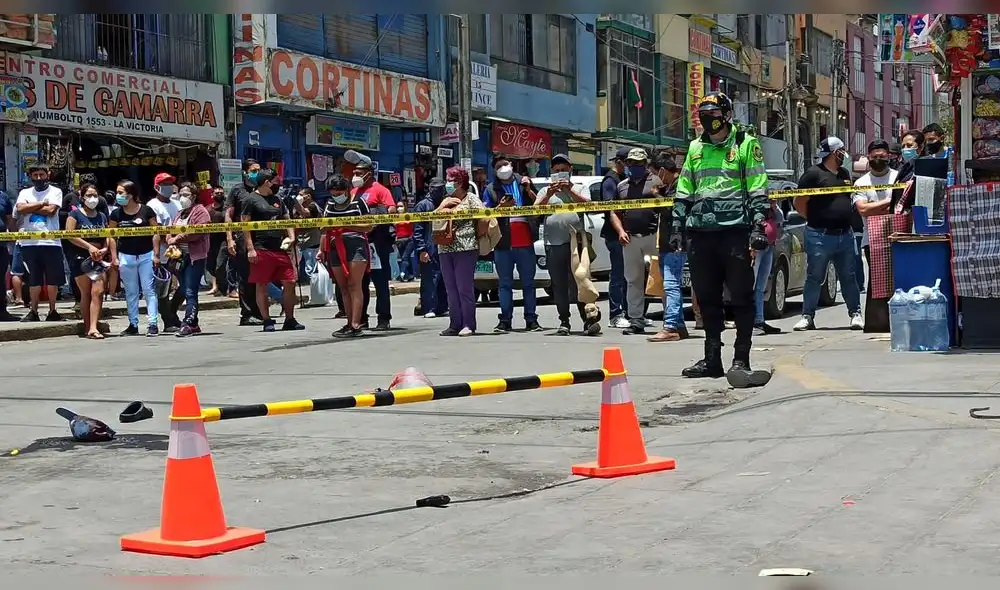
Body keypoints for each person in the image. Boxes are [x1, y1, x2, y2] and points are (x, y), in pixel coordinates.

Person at [673, 92, 771, 388]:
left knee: (741, 297)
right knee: (707, 299)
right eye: (703, 114)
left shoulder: (745, 144)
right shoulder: (695, 147)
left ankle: (741, 358)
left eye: (713, 114)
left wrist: (758, 225)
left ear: (726, 116)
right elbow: (685, 186)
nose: (707, 119)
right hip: (701, 232)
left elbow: (757, 185)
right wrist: (677, 224)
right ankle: (712, 359)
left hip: (735, 231)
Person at [792, 136, 864, 331]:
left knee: (849, 276)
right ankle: (807, 316)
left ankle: (855, 313)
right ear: (834, 153)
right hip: (819, 235)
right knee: (814, 276)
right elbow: (799, 203)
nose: (844, 155)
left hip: (845, 234)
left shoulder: (845, 173)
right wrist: (817, 218)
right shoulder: (813, 175)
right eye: (841, 151)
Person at [535, 154, 599, 336]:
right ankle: (564, 321)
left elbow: (589, 205)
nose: (560, 174)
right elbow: (535, 211)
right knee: (559, 285)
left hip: (576, 244)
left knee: (581, 282)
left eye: (564, 170)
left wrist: (570, 191)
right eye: (556, 171)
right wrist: (548, 194)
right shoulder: (544, 192)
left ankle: (589, 320)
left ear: (570, 170)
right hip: (553, 244)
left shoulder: (580, 188)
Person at [483, 155, 542, 333]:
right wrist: (500, 208)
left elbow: (539, 204)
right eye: (499, 166)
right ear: (494, 171)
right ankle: (505, 320)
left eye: (505, 164)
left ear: (511, 165)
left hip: (525, 241)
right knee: (504, 284)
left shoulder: (524, 182)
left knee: (528, 283)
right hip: (503, 243)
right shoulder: (491, 189)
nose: (503, 168)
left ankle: (531, 319)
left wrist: (528, 188)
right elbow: (486, 214)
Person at [241, 168, 304, 332]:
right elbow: (244, 226)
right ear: (267, 182)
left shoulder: (278, 199)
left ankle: (290, 318)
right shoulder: (251, 200)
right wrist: (250, 249)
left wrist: (291, 238)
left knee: (290, 282)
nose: (278, 185)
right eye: (276, 182)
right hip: (261, 249)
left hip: (280, 249)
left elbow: (286, 218)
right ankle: (267, 320)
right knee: (262, 285)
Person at [609, 148, 661, 335]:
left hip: (653, 237)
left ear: (645, 164)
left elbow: (665, 206)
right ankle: (636, 320)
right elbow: (614, 211)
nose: (634, 166)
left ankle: (670, 322)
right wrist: (620, 231)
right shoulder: (622, 186)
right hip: (630, 239)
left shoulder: (656, 182)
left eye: (639, 163)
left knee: (661, 279)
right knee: (633, 280)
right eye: (631, 163)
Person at [853, 139, 899, 333]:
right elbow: (862, 209)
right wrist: (889, 202)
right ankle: (878, 323)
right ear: (868, 159)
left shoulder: (899, 177)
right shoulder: (861, 183)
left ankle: (898, 319)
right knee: (878, 282)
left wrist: (880, 207)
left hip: (898, 235)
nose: (878, 160)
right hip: (872, 239)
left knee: (898, 279)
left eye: (882, 156)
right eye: (874, 157)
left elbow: (903, 207)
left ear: (888, 156)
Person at [435, 166, 486, 336]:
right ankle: (454, 324)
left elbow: (484, 217)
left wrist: (477, 235)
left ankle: (468, 324)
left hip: (466, 247)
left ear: (460, 182)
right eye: (448, 180)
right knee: (451, 288)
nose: (449, 183)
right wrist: (444, 205)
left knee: (464, 287)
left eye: (452, 180)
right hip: (444, 248)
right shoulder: (445, 199)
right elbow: (433, 218)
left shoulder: (471, 198)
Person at [320, 175, 372, 338]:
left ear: (346, 190)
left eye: (339, 193)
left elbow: (368, 226)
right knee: (342, 286)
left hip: (355, 245)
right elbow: (323, 226)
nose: (336, 196)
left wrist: (346, 225)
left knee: (354, 285)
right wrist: (322, 249)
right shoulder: (329, 204)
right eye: (333, 194)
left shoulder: (359, 202)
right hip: (335, 245)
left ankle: (357, 323)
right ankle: (348, 322)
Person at [109, 180, 161, 336]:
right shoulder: (116, 214)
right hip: (126, 256)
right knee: (131, 292)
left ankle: (153, 324)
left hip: (146, 255)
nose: (118, 196)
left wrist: (156, 254)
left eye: (120, 193)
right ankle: (133, 324)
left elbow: (156, 232)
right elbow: (111, 236)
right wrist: (114, 257)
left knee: (149, 290)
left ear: (130, 195)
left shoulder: (146, 210)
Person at [645, 150, 687, 343]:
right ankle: (679, 325)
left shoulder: (681, 186)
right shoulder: (668, 187)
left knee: (671, 285)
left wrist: (657, 197)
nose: (653, 178)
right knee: (669, 283)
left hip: (675, 243)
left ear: (662, 170)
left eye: (654, 173)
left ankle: (670, 326)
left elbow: (674, 211)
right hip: (665, 243)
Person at [15, 164, 65, 322]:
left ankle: (52, 310)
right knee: (34, 278)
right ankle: (33, 310)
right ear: (31, 176)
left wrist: (30, 207)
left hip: (51, 242)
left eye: (41, 175)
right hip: (30, 242)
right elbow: (20, 209)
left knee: (53, 278)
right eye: (35, 175)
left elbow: (52, 211)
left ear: (47, 174)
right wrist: (42, 204)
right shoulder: (25, 192)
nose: (38, 178)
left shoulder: (56, 191)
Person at [351, 156, 395, 330]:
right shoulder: (354, 192)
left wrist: (375, 214)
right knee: (360, 283)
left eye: (358, 173)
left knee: (380, 282)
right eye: (354, 173)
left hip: (377, 243)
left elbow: (391, 209)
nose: (355, 176)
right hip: (358, 242)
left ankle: (383, 318)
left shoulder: (380, 190)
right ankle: (361, 318)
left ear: (368, 174)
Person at [64, 183, 111, 339]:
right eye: (89, 195)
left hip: (99, 258)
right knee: (86, 293)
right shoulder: (75, 215)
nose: (92, 199)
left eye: (95, 195)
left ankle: (93, 326)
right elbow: (70, 235)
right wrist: (89, 247)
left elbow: (107, 235)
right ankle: (88, 326)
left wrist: (104, 249)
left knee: (98, 291)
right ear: (82, 197)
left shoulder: (102, 216)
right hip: (81, 257)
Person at [165, 184, 211, 337]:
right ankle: (173, 314)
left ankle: (190, 322)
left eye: (186, 194)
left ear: (194, 196)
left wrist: (177, 238)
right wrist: (170, 238)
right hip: (179, 257)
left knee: (191, 291)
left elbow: (197, 231)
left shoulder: (201, 212)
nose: (182, 197)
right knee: (184, 288)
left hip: (194, 257)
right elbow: (170, 229)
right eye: (181, 194)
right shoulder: (179, 213)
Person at [226, 158, 264, 326]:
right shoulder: (238, 191)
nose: (257, 173)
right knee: (246, 277)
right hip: (242, 238)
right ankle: (247, 313)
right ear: (245, 172)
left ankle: (261, 311)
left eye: (259, 170)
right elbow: (228, 215)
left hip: (260, 238)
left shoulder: (262, 189)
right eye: (254, 170)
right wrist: (229, 239)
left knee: (261, 277)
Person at [147, 171, 182, 331]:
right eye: (165, 184)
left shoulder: (177, 204)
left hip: (178, 251)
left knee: (186, 285)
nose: (169, 187)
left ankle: (172, 314)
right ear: (157, 187)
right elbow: (157, 230)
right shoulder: (152, 205)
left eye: (170, 184)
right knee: (162, 290)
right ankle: (169, 321)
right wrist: (169, 243)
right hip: (161, 253)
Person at [601, 146, 630, 328]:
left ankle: (630, 313)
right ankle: (615, 314)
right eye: (629, 162)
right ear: (619, 162)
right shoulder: (610, 181)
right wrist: (620, 231)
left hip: (627, 234)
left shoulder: (623, 179)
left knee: (629, 276)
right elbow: (610, 209)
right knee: (618, 275)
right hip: (615, 235)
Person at [411, 177, 449, 319]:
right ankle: (429, 307)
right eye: (436, 188)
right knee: (429, 279)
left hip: (443, 246)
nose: (438, 191)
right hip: (429, 247)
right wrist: (421, 249)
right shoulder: (423, 206)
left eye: (441, 188)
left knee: (443, 278)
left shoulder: (445, 204)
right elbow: (417, 230)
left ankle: (442, 306)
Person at [295, 187, 322, 286]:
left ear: (308, 196)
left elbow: (305, 213)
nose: (299, 197)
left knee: (311, 269)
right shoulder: (299, 206)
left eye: (301, 195)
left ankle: (318, 292)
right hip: (301, 241)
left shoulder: (313, 206)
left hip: (312, 242)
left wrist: (296, 202)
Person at [206, 185, 228, 296]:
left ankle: (224, 287)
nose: (219, 195)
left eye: (221, 193)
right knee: (210, 265)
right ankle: (215, 286)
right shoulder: (207, 209)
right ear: (212, 195)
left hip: (223, 240)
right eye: (217, 193)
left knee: (220, 265)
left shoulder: (227, 209)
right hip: (210, 240)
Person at [0, 186, 16, 321]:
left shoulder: (3, 196)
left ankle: (1, 310)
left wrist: (12, 236)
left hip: (1, 244)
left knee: (1, 278)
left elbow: (9, 218)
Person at [394, 199, 415, 282]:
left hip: (409, 239)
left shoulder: (408, 216)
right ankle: (410, 275)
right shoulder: (395, 217)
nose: (399, 208)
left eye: (401, 206)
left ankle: (402, 273)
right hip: (399, 240)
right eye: (398, 206)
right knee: (405, 258)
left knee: (405, 257)